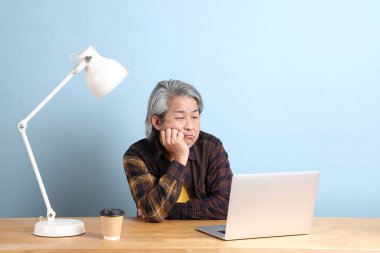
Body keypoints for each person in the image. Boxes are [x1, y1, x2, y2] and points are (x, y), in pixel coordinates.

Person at [123, 80, 233, 222]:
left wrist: (171, 211)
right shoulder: (136, 156)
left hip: (206, 240)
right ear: (157, 122)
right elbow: (153, 213)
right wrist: (180, 158)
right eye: (180, 117)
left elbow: (227, 205)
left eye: (195, 117)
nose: (190, 126)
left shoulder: (211, 147)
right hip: (158, 240)